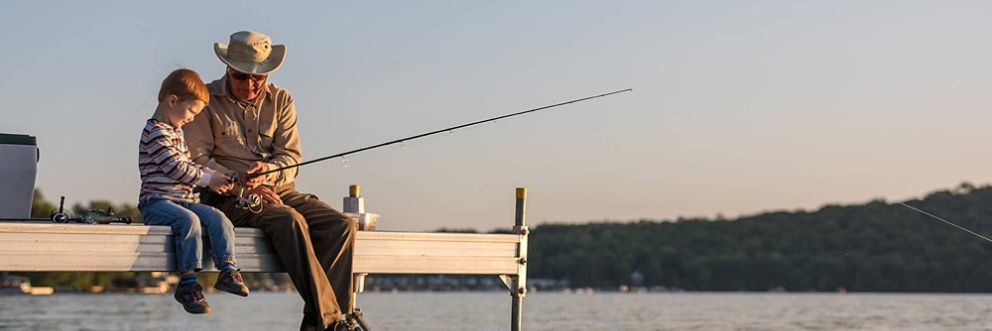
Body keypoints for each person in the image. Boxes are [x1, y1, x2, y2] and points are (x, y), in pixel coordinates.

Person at [184, 31, 359, 331]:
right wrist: (242, 184)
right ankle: (332, 323)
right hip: (227, 196)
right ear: (228, 68)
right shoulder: (207, 101)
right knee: (289, 220)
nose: (250, 84)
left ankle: (317, 323)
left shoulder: (282, 100)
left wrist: (267, 171)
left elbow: (291, 158)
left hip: (280, 189)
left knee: (342, 225)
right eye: (242, 76)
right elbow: (198, 162)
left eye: (258, 77)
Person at [138, 68, 250, 314]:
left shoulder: (176, 133)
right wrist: (208, 179)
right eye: (191, 111)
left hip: (183, 201)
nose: (192, 118)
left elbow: (190, 164)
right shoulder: (155, 133)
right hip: (157, 203)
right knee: (189, 222)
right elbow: (176, 168)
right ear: (173, 100)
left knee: (218, 218)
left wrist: (219, 175)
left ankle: (228, 269)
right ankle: (187, 283)